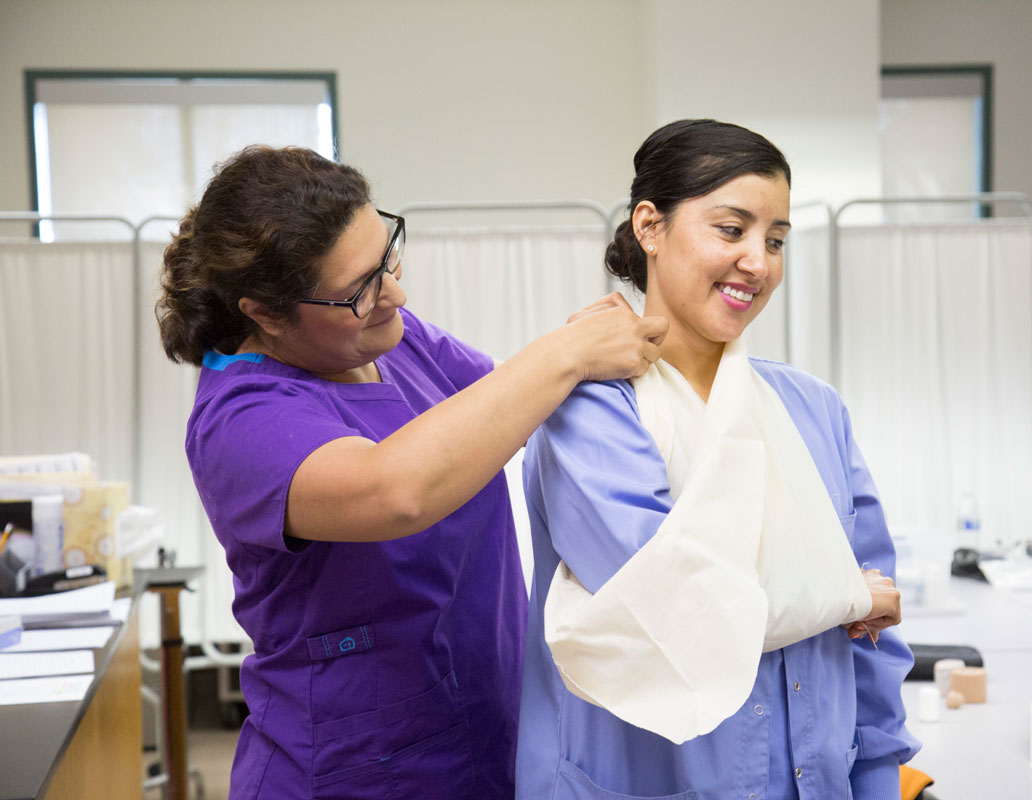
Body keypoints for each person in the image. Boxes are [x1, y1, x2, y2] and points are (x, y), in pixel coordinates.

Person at [155, 145, 667, 800]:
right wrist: (565, 354)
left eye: (386, 257)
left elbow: (503, 412)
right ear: (263, 312)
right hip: (353, 770)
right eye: (358, 290)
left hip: (483, 740)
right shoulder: (242, 421)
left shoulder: (393, 337)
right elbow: (396, 491)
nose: (395, 293)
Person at [516, 120, 920, 799]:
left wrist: (877, 778)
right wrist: (842, 595)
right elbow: (677, 613)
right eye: (731, 230)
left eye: (777, 240)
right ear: (650, 225)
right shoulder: (590, 413)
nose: (758, 262)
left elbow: (872, 645)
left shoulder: (811, 409)